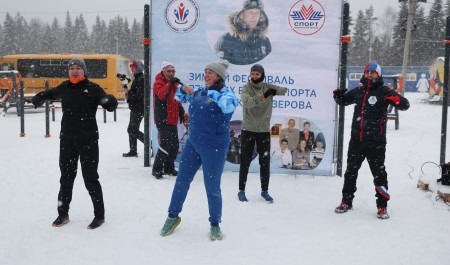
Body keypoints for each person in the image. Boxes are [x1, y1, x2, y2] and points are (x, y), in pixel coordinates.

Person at [31, 58, 118, 229]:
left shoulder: (92, 88)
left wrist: (110, 101)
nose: (75, 71)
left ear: (84, 71)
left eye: (78, 68)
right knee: (66, 178)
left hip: (88, 141)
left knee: (91, 179)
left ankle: (99, 216)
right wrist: (40, 96)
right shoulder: (65, 87)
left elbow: (108, 103)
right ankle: (62, 214)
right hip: (68, 140)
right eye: (72, 68)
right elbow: (52, 93)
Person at [160, 59, 238, 241]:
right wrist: (184, 91)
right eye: (205, 72)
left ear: (219, 76)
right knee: (181, 181)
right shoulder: (200, 92)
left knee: (212, 187)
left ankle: (215, 224)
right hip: (193, 143)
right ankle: (172, 216)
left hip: (214, 147)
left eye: (210, 72)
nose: (206, 75)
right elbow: (178, 97)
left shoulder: (227, 94)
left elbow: (228, 106)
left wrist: (212, 94)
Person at [333, 62, 410, 219]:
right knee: (350, 172)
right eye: (367, 72)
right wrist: (338, 95)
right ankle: (346, 201)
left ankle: (382, 206)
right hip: (356, 140)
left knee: (379, 174)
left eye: (373, 72)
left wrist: (396, 99)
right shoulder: (359, 90)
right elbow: (343, 101)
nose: (369, 74)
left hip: (376, 142)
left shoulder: (384, 91)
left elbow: (405, 105)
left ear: (378, 75)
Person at [238, 64, 287, 203]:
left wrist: (276, 90)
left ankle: (264, 191)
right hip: (248, 130)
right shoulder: (246, 88)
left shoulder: (267, 86)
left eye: (257, 74)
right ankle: (241, 190)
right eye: (252, 74)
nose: (254, 77)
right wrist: (264, 95)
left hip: (264, 131)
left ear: (262, 75)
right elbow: (248, 103)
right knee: (245, 161)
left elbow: (284, 90)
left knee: (264, 162)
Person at [152, 61, 187, 179]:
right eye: (168, 71)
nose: (171, 73)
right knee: (165, 144)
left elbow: (176, 101)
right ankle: (157, 169)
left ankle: (169, 167)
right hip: (162, 119)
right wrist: (171, 83)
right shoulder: (159, 83)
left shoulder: (174, 85)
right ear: (163, 72)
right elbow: (162, 96)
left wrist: (181, 113)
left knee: (174, 146)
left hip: (172, 119)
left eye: (173, 71)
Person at [214, 0, 271, 65]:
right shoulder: (226, 40)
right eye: (250, 12)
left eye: (257, 12)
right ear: (241, 15)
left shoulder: (265, 42)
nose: (254, 16)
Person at [123, 60, 144, 157]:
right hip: (135, 108)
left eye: (133, 67)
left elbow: (139, 95)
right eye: (131, 67)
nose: (131, 69)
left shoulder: (140, 79)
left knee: (133, 130)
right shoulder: (137, 78)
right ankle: (133, 150)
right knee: (130, 129)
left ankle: (150, 146)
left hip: (138, 109)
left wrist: (129, 92)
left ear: (138, 68)